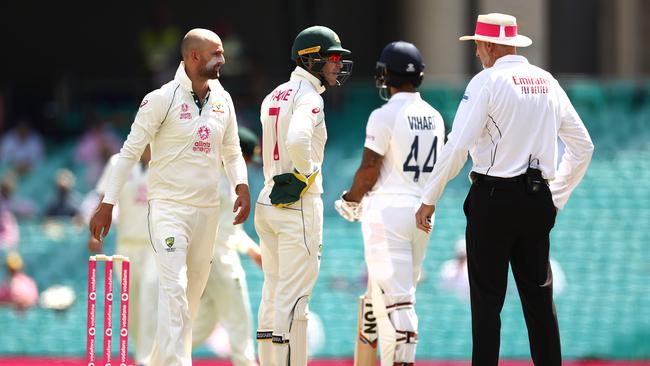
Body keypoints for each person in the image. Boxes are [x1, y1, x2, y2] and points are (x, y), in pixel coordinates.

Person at [415, 13, 594, 365]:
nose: (478, 53)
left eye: (479, 45)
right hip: (537, 197)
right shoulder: (546, 81)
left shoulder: (486, 81)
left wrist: (429, 198)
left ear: (490, 45)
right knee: (540, 301)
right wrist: (555, 196)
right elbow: (583, 146)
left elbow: (457, 146)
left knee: (486, 304)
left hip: (493, 198)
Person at [89, 28, 250, 366]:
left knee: (188, 303)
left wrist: (241, 186)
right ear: (194, 57)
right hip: (169, 210)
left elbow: (233, 152)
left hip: (206, 212)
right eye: (216, 54)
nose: (223, 60)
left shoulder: (223, 100)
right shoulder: (161, 99)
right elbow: (130, 152)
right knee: (174, 290)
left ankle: (159, 362)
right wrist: (107, 205)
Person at [335, 41, 445, 366]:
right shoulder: (435, 116)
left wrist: (351, 200)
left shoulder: (383, 115)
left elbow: (370, 170)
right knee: (390, 300)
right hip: (421, 213)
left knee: (397, 303)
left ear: (386, 74)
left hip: (387, 214)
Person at [254, 25, 352, 366]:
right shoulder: (310, 97)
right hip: (296, 203)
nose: (337, 66)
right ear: (311, 60)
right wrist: (306, 175)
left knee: (273, 291)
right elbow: (297, 140)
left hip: (268, 197)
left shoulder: (274, 95)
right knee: (295, 299)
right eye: (333, 58)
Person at [192, 127, 262, 366]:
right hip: (219, 261)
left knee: (204, 322)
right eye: (249, 158)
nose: (250, 164)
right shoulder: (217, 178)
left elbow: (229, 229)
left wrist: (252, 250)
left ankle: (156, 360)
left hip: (204, 261)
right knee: (239, 323)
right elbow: (221, 231)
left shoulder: (215, 175)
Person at [88, 145, 157, 366]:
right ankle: (141, 357)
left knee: (150, 295)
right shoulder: (118, 162)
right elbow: (104, 198)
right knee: (133, 304)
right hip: (126, 245)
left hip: (155, 246)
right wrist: (96, 234)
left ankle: (148, 359)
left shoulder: (167, 160)